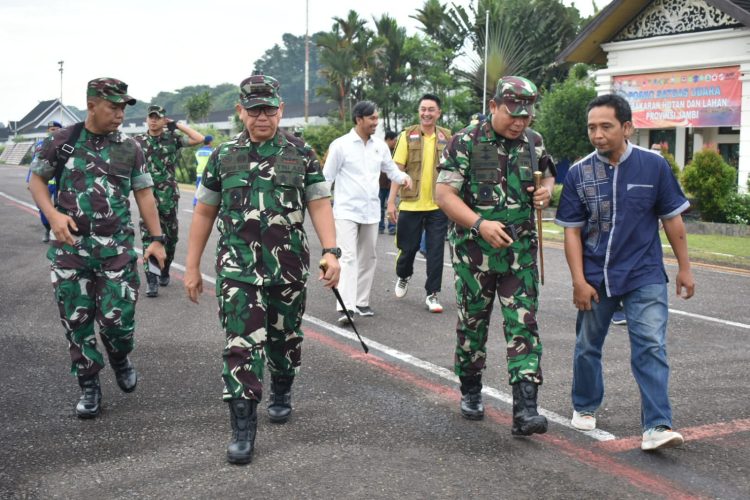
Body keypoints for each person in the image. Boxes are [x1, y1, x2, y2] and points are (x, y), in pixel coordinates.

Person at [183, 74, 341, 465]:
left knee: (284, 340)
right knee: (241, 345)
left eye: (269, 109)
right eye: (254, 110)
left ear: (280, 110)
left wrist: (332, 251)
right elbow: (204, 212)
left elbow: (319, 203)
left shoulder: (301, 154)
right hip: (238, 270)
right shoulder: (223, 156)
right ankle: (242, 426)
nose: (262, 117)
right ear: (241, 111)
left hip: (287, 269)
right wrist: (190, 267)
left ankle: (282, 387)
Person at [555, 93, 694, 451]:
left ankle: (657, 425)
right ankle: (585, 404)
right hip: (596, 275)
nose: (597, 134)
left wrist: (685, 269)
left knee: (650, 345)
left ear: (627, 127)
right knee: (588, 346)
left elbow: (672, 219)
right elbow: (572, 230)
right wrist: (578, 281)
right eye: (592, 127)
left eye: (606, 126)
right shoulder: (578, 173)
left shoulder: (654, 166)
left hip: (644, 273)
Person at [28, 77, 166, 419]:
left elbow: (144, 193)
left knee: (117, 322)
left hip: (116, 251)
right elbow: (36, 180)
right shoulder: (63, 142)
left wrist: (157, 239)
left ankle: (119, 356)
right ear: (92, 105)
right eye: (113, 107)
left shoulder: (130, 147)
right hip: (70, 250)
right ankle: (89, 384)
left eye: (123, 108)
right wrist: (53, 215)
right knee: (77, 322)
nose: (119, 114)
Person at [435, 76, 555, 436]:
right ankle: (471, 388)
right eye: (512, 113)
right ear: (493, 107)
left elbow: (547, 176)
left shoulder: (533, 142)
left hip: (520, 254)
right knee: (473, 326)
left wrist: (546, 193)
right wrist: (479, 224)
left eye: (526, 114)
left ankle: (525, 409)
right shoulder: (465, 141)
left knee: (523, 324)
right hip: (475, 255)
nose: (519, 121)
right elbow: (444, 194)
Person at [323, 101, 411, 324]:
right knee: (349, 257)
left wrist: (403, 178)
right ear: (359, 119)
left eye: (376, 118)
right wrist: (320, 206)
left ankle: (361, 302)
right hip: (346, 211)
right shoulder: (340, 145)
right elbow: (327, 178)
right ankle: (346, 307)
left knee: (369, 257)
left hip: (371, 210)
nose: (376, 122)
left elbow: (391, 169)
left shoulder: (379, 146)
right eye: (372, 118)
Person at [387, 93, 451, 313]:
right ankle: (403, 275)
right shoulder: (407, 135)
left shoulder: (447, 137)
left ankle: (432, 294)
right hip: (411, 204)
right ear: (419, 111)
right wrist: (391, 203)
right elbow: (398, 170)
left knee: (435, 251)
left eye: (431, 109)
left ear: (438, 113)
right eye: (423, 109)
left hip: (438, 205)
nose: (426, 113)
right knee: (409, 248)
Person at [134, 105, 204, 297]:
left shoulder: (172, 139)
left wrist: (177, 126)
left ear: (164, 120)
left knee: (171, 239)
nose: (154, 120)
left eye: (158, 117)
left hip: (169, 198)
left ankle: (165, 269)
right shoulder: (137, 141)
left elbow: (199, 139)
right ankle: (152, 280)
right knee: (149, 237)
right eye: (151, 117)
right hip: (147, 197)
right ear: (147, 119)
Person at [26, 120, 62, 242]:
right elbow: (34, 164)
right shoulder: (40, 145)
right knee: (42, 207)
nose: (54, 131)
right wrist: (29, 180)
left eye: (56, 129)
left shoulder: (65, 143)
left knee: (62, 207)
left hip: (60, 183)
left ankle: (61, 231)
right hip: (43, 183)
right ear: (48, 131)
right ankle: (47, 229)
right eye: (52, 129)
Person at [378, 130, 398, 235]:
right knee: (379, 207)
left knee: (391, 206)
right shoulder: (379, 150)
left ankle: (392, 227)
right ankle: (380, 226)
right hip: (380, 184)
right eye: (394, 140)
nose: (395, 143)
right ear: (388, 140)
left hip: (391, 185)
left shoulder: (395, 151)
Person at [193, 134, 214, 206]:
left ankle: (195, 205)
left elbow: (196, 163)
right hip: (208, 174)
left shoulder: (198, 152)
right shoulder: (213, 152)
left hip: (199, 174)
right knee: (209, 193)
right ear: (210, 142)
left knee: (198, 191)